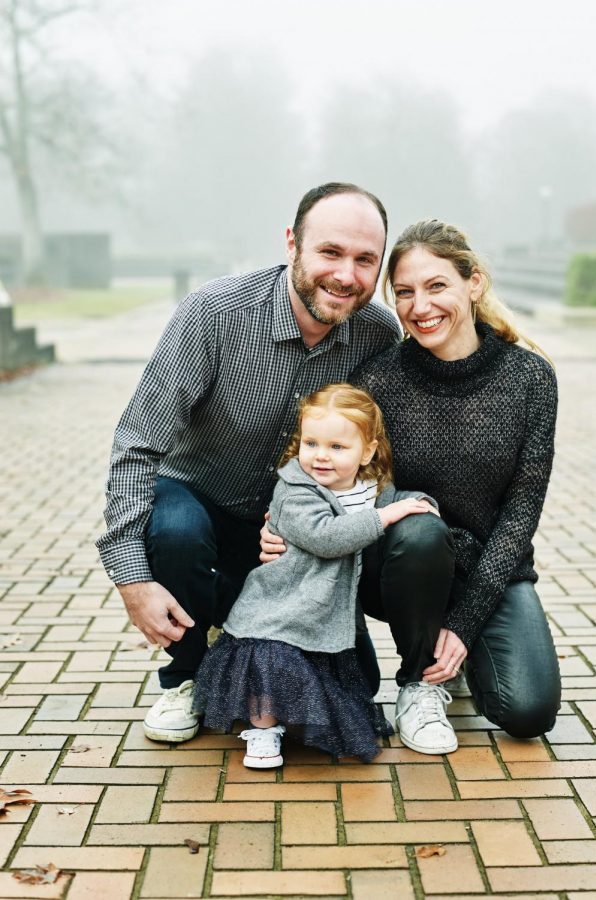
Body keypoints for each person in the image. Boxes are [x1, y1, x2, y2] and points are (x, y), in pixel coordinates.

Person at [95, 182, 409, 743]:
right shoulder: (214, 315)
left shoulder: (378, 334)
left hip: (296, 522)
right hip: (200, 500)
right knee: (176, 531)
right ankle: (184, 677)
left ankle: (239, 632)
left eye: (366, 260)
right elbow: (136, 445)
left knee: (357, 685)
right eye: (331, 252)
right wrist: (131, 578)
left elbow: (378, 449)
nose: (347, 275)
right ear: (292, 243)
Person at [262, 220, 561, 751]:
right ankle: (417, 684)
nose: (420, 306)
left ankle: (455, 658)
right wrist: (280, 522)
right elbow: (323, 464)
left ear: (474, 283)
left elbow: (521, 511)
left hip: (487, 567)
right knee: (420, 527)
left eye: (436, 286)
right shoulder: (378, 378)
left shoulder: (531, 378)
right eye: (403, 292)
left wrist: (464, 625)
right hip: (396, 562)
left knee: (528, 710)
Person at [194, 384, 441, 767]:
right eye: (311, 443)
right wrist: (386, 516)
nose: (321, 457)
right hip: (281, 611)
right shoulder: (295, 492)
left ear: (368, 452)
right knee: (270, 667)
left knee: (362, 684)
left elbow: (393, 501)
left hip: (327, 613)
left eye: (337, 447)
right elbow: (326, 538)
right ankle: (262, 732)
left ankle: (297, 715)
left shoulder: (367, 490)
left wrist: (419, 504)